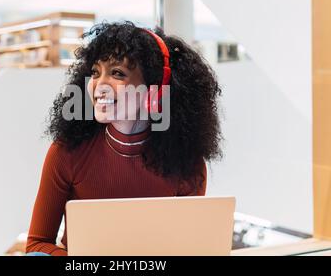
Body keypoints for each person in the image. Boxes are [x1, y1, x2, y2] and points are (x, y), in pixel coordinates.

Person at [26, 21, 222, 256]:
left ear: (155, 90)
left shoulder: (186, 162)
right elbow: (37, 245)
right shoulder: (66, 151)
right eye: (95, 72)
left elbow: (189, 250)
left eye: (117, 73)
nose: (99, 85)